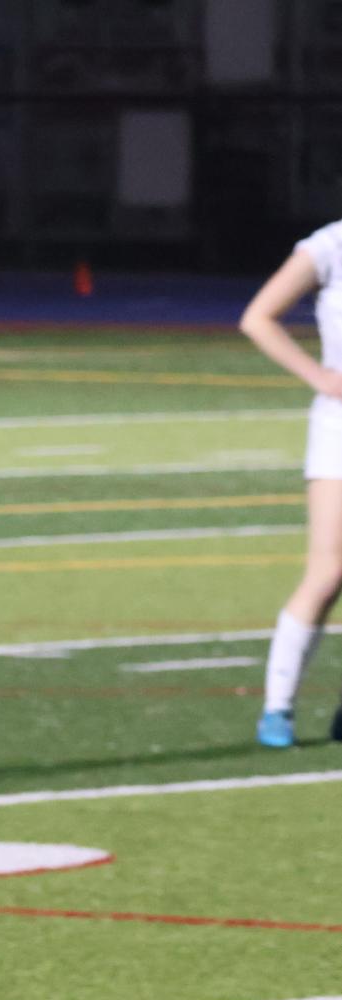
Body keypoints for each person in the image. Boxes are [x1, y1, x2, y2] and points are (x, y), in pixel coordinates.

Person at [241, 222, 342, 747]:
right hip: (340, 434)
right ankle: (277, 709)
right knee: (328, 573)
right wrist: (320, 376)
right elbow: (258, 318)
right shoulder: (329, 245)